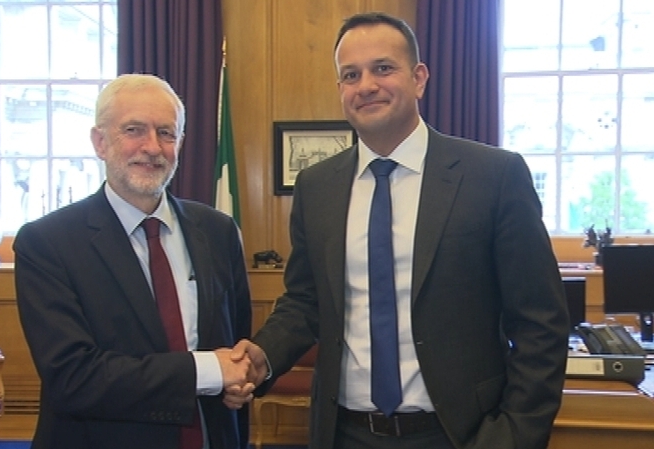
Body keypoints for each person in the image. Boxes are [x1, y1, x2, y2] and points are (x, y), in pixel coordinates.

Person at [229, 12, 570, 449]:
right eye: (350, 75)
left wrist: (514, 435)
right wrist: (262, 356)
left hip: (460, 434)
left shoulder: (493, 176)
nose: (366, 85)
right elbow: (305, 303)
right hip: (344, 433)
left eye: (383, 68)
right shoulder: (317, 188)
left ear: (419, 78)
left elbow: (541, 323)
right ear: (340, 90)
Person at [14, 73, 253, 449]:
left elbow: (237, 343)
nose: (152, 147)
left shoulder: (218, 232)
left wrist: (241, 380)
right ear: (100, 142)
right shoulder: (48, 243)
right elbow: (73, 377)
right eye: (134, 130)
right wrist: (208, 370)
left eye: (166, 133)